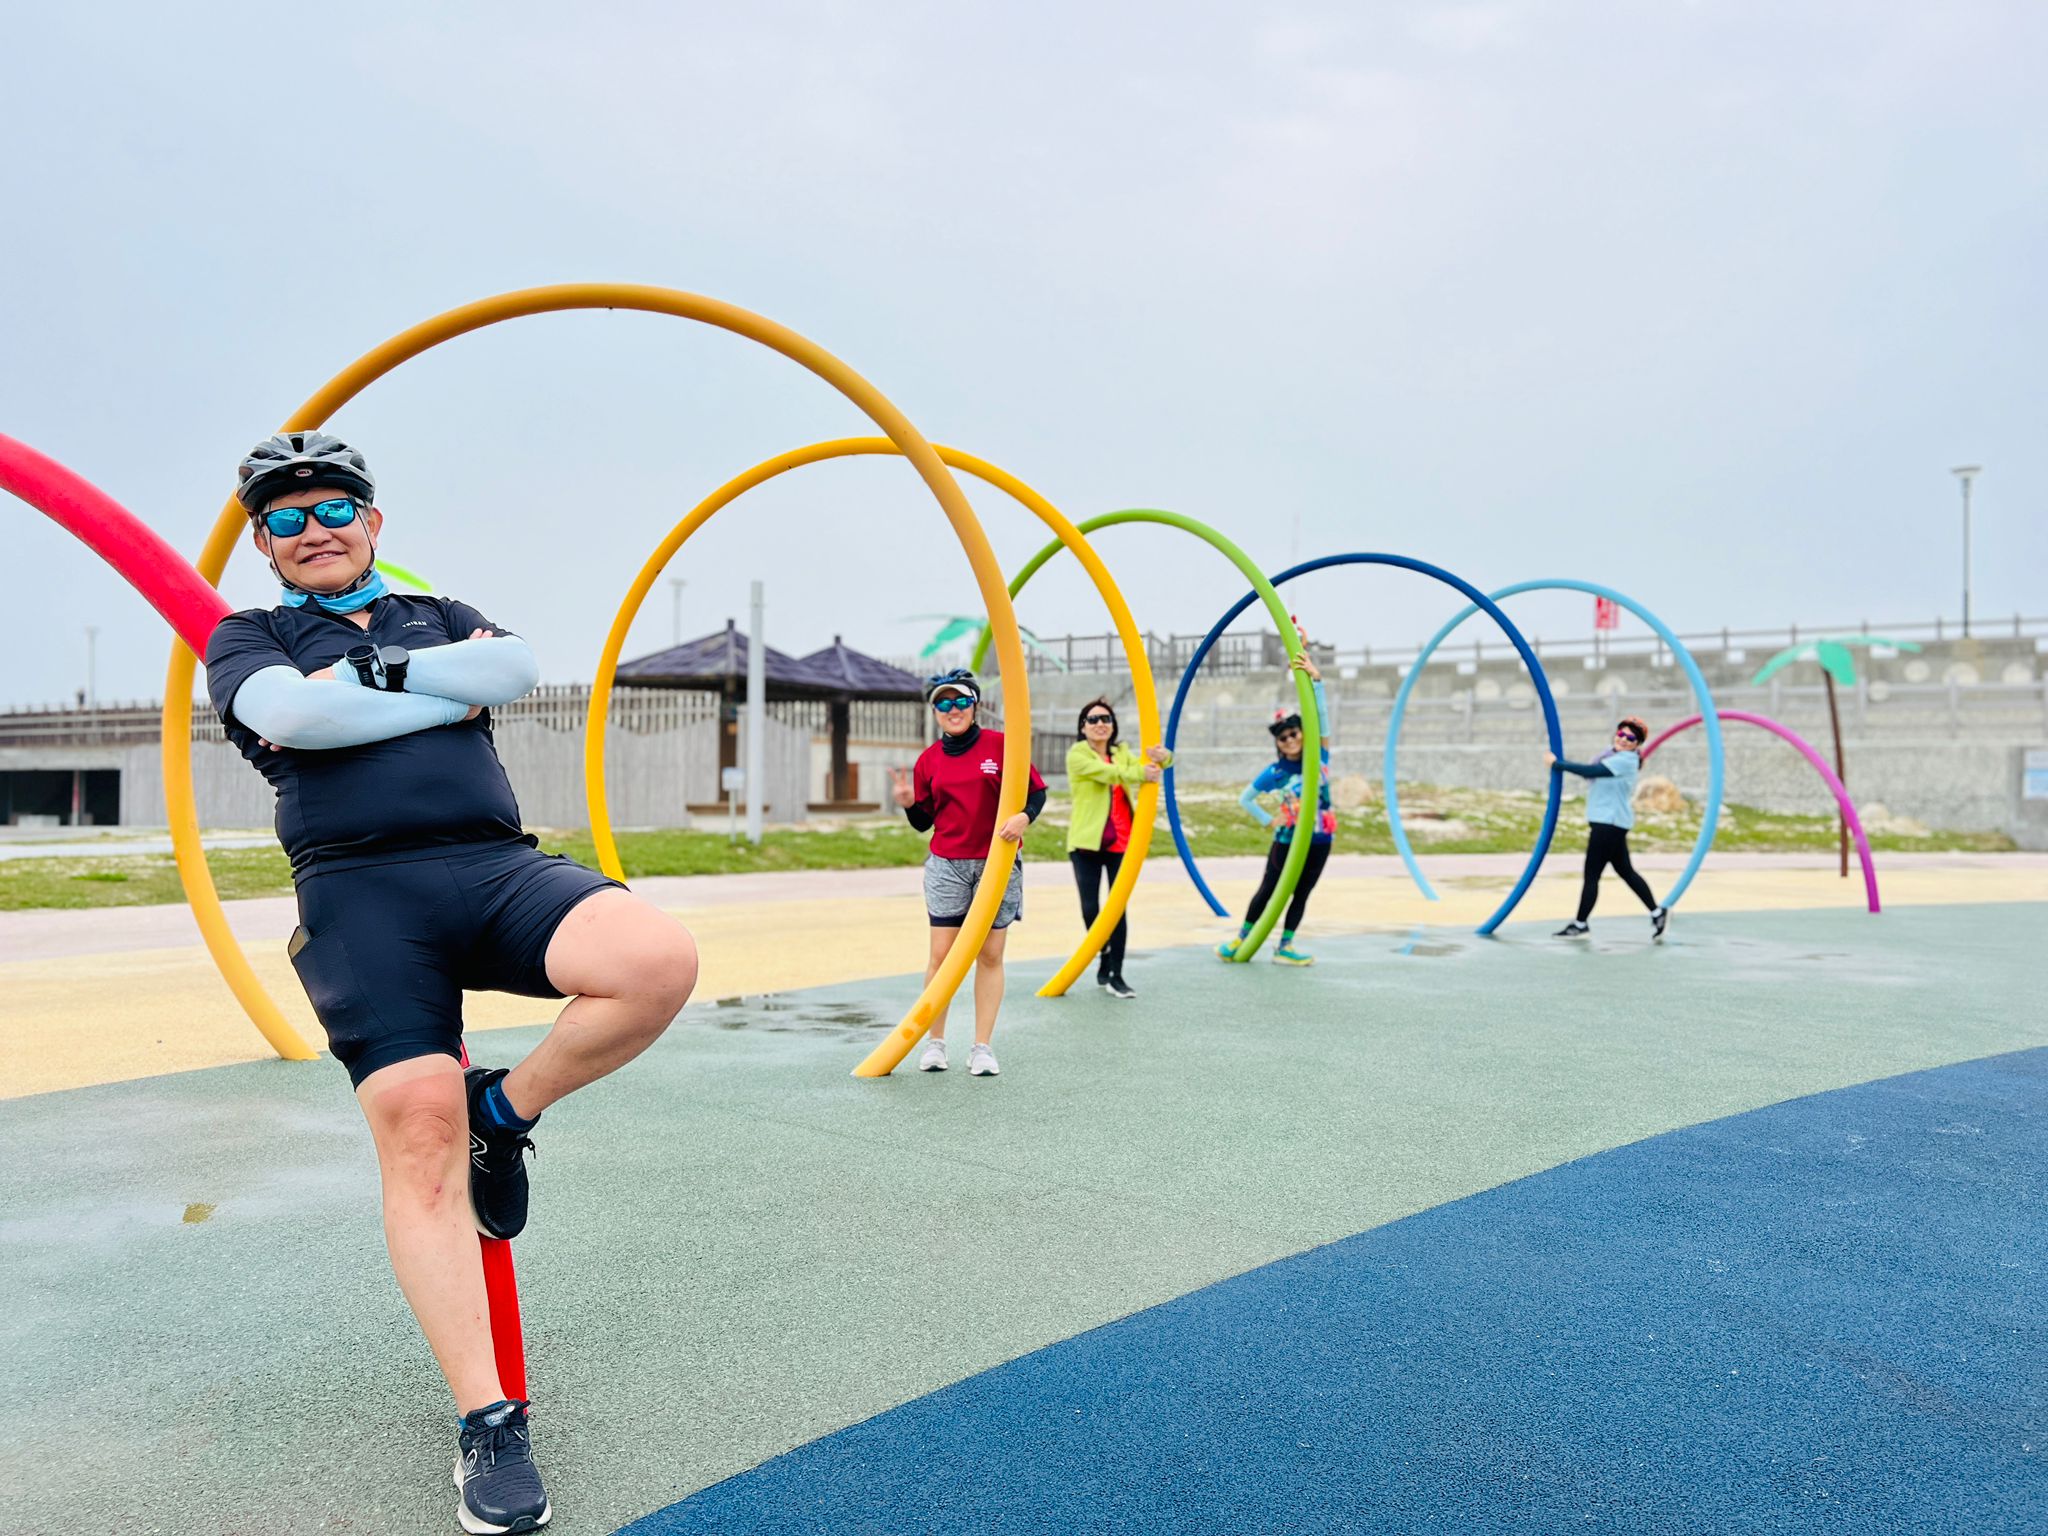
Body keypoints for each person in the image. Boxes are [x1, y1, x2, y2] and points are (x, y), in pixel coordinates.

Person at [203, 431, 699, 1535]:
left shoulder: (437, 609)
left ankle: (506, 1111)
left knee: (655, 962)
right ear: (263, 543)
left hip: (492, 864)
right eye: (284, 519)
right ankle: (487, 1421)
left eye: (334, 509)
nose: (313, 529)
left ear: (374, 523)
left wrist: (372, 677)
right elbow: (288, 717)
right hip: (359, 894)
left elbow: (513, 670)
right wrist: (436, 697)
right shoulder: (250, 637)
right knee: (415, 1135)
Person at [888, 668, 1046, 1076]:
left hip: (998, 862)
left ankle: (982, 1047)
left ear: (975, 705)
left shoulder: (1003, 746)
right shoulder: (929, 760)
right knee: (941, 956)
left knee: (990, 955)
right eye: (943, 703)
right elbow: (923, 822)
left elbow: (1037, 791)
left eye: (960, 701)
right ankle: (935, 1042)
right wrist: (908, 802)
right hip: (947, 864)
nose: (952, 709)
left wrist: (1024, 819)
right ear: (935, 711)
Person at [1218, 651, 1333, 966]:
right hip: (1287, 839)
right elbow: (1245, 798)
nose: (1290, 740)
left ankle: (1285, 946)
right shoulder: (1276, 772)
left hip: (1320, 838)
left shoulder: (1318, 757)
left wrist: (1316, 680)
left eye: (1294, 733)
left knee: (1302, 892)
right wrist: (1269, 820)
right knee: (1269, 887)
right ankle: (1242, 937)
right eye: (1283, 738)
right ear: (1278, 743)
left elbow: (1321, 717)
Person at [1064, 697, 1171, 999]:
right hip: (1086, 842)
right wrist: (1141, 772)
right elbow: (1109, 774)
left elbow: (1149, 766)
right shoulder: (1077, 754)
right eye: (1093, 719)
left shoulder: (1121, 753)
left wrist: (1165, 756)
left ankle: (1117, 974)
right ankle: (1104, 950)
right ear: (1083, 727)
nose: (1100, 724)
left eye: (1106, 719)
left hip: (1121, 842)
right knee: (1090, 908)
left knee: (1117, 908)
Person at [1549, 714, 1670, 940]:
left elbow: (1591, 772)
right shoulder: (1611, 754)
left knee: (1592, 875)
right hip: (1612, 822)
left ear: (1637, 744)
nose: (1623, 739)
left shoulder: (1626, 760)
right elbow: (1594, 769)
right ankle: (1657, 912)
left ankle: (1580, 923)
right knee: (1625, 871)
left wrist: (1558, 765)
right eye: (1621, 734)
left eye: (1630, 738)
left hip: (1608, 824)